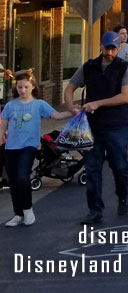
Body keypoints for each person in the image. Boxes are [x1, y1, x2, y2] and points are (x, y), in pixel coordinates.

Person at [65, 30, 128, 224]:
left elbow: (126, 97)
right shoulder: (89, 66)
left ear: (119, 47)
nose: (110, 53)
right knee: (92, 168)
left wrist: (98, 103)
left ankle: (123, 195)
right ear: (101, 46)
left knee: (119, 166)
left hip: (117, 125)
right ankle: (94, 209)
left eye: (114, 49)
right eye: (107, 48)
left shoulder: (125, 68)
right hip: (93, 126)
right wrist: (70, 105)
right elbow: (70, 86)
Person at [0, 72, 73, 226]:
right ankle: (17, 214)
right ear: (16, 87)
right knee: (13, 180)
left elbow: (57, 116)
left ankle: (27, 210)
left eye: (26, 87)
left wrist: (73, 112)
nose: (23, 90)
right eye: (20, 87)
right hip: (11, 147)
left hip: (28, 146)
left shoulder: (39, 105)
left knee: (22, 176)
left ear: (33, 86)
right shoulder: (10, 105)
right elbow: (3, 124)